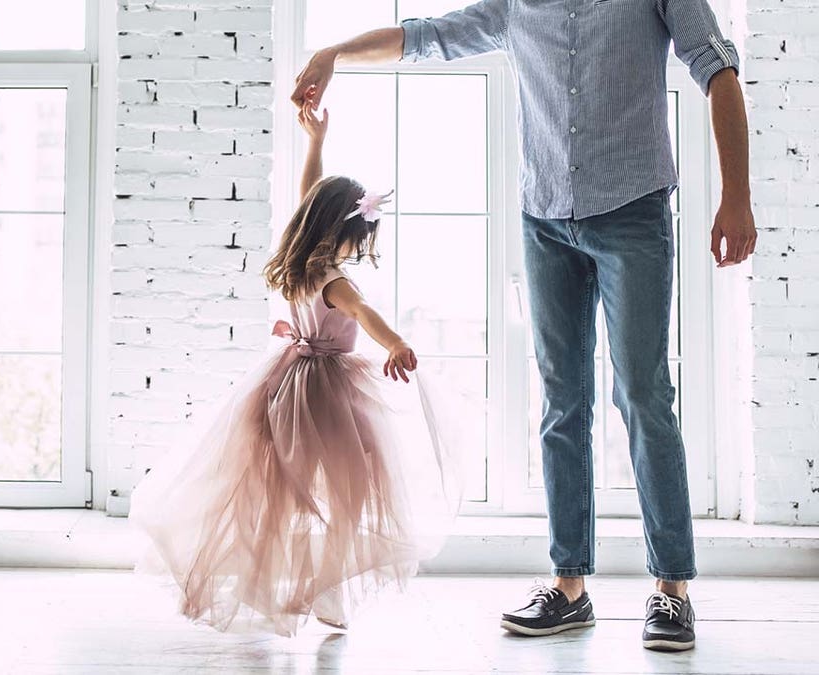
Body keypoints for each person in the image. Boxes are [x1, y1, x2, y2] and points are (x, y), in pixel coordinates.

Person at [292, 0, 756, 653]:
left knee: (645, 395)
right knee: (561, 403)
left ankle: (671, 590)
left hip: (635, 215)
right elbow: (426, 38)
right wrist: (335, 53)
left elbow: (719, 72)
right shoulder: (517, 6)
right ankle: (569, 588)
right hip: (545, 221)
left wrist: (735, 194)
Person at [129, 98, 461, 637]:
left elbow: (310, 199)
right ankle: (327, 585)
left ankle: (282, 578)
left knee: (282, 488)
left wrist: (315, 144)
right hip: (325, 390)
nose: (362, 245)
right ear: (344, 231)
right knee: (353, 483)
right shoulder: (335, 279)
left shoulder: (301, 264)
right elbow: (363, 312)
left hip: (285, 381)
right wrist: (395, 342)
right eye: (361, 235)